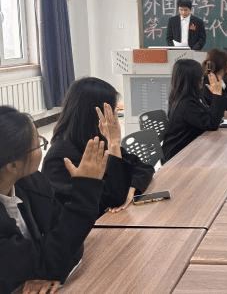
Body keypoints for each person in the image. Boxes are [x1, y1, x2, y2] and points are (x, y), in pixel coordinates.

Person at [0, 106, 108, 293]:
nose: (43, 147)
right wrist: (86, 189)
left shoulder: (31, 182)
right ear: (13, 165)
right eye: (37, 144)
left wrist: (47, 269)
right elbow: (59, 247)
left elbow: (69, 239)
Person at [42, 78, 154, 217]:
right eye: (112, 112)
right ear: (95, 115)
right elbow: (112, 200)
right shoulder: (60, 158)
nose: (114, 119)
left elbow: (143, 167)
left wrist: (132, 189)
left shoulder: (97, 139)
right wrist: (114, 143)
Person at [162, 58, 227, 162]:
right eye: (200, 78)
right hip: (177, 156)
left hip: (189, 148)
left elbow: (210, 116)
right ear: (193, 80)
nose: (202, 80)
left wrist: (216, 95)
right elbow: (212, 124)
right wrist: (217, 95)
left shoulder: (185, 97)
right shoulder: (186, 104)